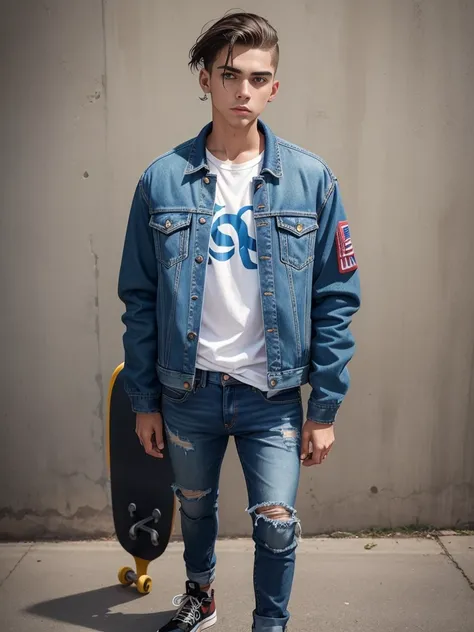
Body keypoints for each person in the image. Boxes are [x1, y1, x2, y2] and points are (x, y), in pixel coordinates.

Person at [118, 10, 361, 632]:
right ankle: (200, 598)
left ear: (274, 87)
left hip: (272, 394)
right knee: (194, 510)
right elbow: (140, 299)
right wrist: (144, 401)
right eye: (230, 75)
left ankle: (269, 625)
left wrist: (324, 408)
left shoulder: (311, 179)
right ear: (206, 79)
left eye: (258, 78)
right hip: (188, 392)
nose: (243, 90)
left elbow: (337, 296)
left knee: (276, 526)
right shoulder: (162, 179)